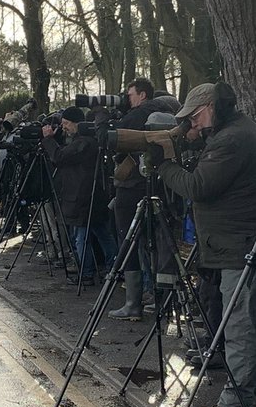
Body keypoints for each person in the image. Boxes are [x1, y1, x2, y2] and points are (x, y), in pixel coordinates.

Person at [151, 81, 256, 407]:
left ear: (211, 107)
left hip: (238, 244)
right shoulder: (238, 131)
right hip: (240, 241)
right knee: (252, 320)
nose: (192, 123)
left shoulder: (232, 138)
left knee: (240, 325)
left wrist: (165, 165)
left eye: (195, 116)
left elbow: (198, 187)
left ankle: (236, 404)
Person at [109, 78, 164, 319]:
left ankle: (133, 303)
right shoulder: (162, 112)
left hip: (132, 186)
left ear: (142, 95)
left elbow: (109, 140)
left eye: (129, 95)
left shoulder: (138, 115)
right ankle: (159, 297)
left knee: (129, 239)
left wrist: (103, 119)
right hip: (154, 185)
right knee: (155, 241)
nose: (127, 99)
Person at [41, 107, 117, 281]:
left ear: (77, 123)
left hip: (82, 198)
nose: (64, 127)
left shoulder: (84, 143)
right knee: (102, 234)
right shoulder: (88, 141)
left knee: (81, 238)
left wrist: (48, 140)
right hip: (90, 196)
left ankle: (87, 273)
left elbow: (59, 157)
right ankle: (113, 269)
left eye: (66, 123)